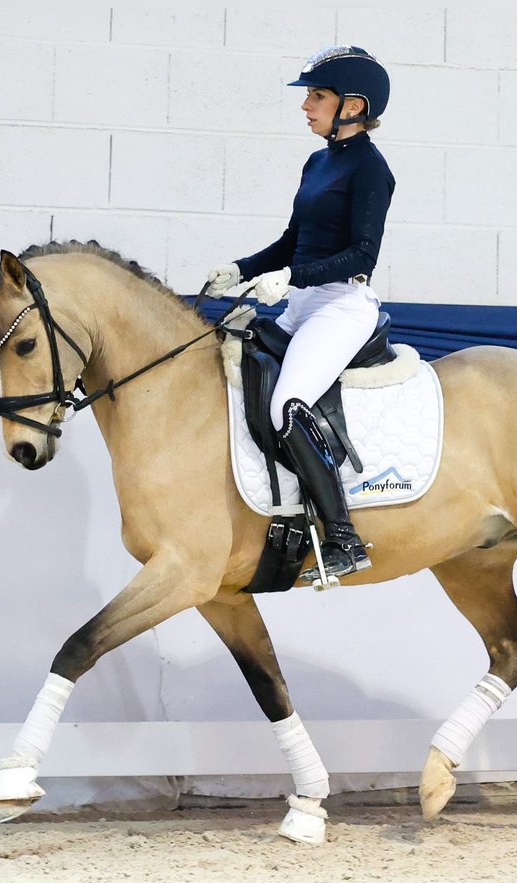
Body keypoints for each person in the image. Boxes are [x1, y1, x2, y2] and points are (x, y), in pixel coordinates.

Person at [204, 45, 394, 579]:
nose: (305, 106)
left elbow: (362, 254)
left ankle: (343, 538)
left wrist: (292, 278)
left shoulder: (371, 170)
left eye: (317, 96)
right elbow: (293, 241)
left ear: (352, 106)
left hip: (342, 305)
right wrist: (240, 268)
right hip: (303, 301)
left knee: (287, 403)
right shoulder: (318, 161)